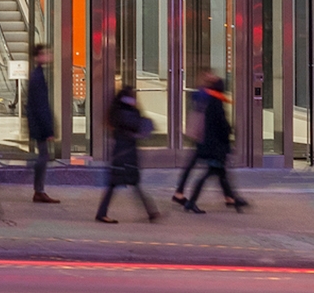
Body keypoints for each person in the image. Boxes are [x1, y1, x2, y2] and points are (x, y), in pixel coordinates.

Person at [178, 70, 249, 212]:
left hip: (211, 144)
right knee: (210, 173)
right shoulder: (214, 101)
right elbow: (221, 124)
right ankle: (192, 202)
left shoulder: (211, 99)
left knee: (219, 173)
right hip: (215, 146)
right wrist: (229, 132)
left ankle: (232, 199)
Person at [96, 77, 161, 223]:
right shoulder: (127, 111)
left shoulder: (119, 110)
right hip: (126, 153)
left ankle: (151, 212)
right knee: (130, 183)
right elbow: (137, 125)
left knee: (120, 184)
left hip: (122, 152)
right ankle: (151, 212)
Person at [23, 43, 61, 203]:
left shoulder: (37, 74)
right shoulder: (37, 77)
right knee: (43, 156)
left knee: (43, 155)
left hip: (38, 124)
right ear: (38, 56)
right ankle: (38, 190)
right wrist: (48, 129)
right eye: (46, 53)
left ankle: (39, 190)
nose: (49, 56)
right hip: (40, 125)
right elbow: (40, 106)